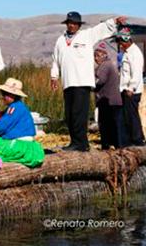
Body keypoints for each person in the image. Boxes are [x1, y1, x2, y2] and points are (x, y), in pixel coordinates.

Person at [50, 11, 126, 151]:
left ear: (79, 25)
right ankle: (78, 142)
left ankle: (80, 143)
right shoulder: (60, 40)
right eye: (70, 23)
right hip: (68, 82)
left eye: (75, 24)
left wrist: (114, 22)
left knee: (79, 113)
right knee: (69, 114)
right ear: (66, 24)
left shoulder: (86, 35)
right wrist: (54, 76)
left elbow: (101, 29)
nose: (72, 26)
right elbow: (55, 59)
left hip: (82, 82)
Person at [0, 78, 45, 168]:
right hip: (26, 144)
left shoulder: (14, 108)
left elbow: (3, 126)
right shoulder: (18, 106)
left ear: (12, 96)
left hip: (21, 146)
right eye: (3, 94)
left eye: (5, 94)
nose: (3, 97)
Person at [116, 27, 145, 146]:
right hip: (125, 89)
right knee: (127, 116)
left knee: (132, 116)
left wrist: (131, 88)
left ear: (126, 40)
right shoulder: (127, 53)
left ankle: (137, 139)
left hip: (131, 90)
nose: (120, 44)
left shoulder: (135, 53)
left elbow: (136, 72)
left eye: (121, 41)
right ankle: (130, 139)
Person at [94, 42, 123, 149]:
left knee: (105, 124)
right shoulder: (110, 64)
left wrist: (89, 85)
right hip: (113, 100)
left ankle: (106, 145)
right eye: (95, 56)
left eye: (98, 55)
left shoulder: (104, 66)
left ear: (104, 55)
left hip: (108, 100)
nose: (96, 58)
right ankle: (116, 145)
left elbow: (99, 81)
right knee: (113, 124)